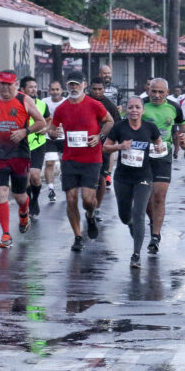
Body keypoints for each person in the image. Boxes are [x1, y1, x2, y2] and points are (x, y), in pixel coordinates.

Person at [46, 72, 114, 251]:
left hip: (91, 159)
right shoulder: (61, 108)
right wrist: (53, 133)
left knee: (88, 200)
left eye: (77, 84)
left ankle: (90, 216)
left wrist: (99, 136)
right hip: (70, 159)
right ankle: (77, 237)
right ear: (66, 86)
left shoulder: (94, 104)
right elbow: (52, 129)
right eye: (71, 84)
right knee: (71, 198)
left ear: (84, 84)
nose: (74, 87)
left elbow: (109, 121)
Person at [0, 70, 47, 248]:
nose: (4, 87)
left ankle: (24, 212)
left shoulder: (24, 100)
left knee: (19, 195)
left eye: (8, 84)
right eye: (1, 84)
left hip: (19, 154)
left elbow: (41, 122)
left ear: (16, 84)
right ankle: (5, 234)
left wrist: (25, 131)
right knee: (1, 191)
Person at [103, 96, 164, 267]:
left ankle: (136, 254)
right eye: (130, 107)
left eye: (137, 107)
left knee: (139, 213)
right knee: (125, 216)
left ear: (143, 110)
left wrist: (159, 148)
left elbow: (159, 144)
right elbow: (105, 148)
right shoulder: (119, 127)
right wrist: (120, 147)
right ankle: (130, 224)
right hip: (122, 177)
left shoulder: (150, 128)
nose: (134, 110)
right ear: (126, 110)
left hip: (143, 176)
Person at [140, 78, 185, 254]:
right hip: (143, 155)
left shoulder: (174, 107)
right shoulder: (141, 105)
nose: (157, 95)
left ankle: (155, 235)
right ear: (148, 90)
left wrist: (183, 137)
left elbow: (182, 124)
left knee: (159, 196)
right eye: (154, 91)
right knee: (145, 198)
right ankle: (154, 221)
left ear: (167, 93)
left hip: (163, 155)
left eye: (161, 92)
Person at [90, 76, 122, 213]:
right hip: (85, 145)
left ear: (104, 89)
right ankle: (89, 203)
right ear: (89, 89)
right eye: (94, 89)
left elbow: (118, 124)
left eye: (100, 89)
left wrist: (114, 141)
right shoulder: (84, 101)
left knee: (101, 177)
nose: (97, 92)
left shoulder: (109, 105)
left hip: (102, 145)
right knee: (88, 178)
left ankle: (97, 207)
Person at [20, 76, 51, 218]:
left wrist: (46, 128)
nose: (34, 89)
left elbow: (48, 119)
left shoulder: (42, 105)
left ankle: (35, 200)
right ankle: (28, 204)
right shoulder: (18, 104)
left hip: (38, 144)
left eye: (35, 87)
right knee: (25, 177)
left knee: (35, 175)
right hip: (22, 144)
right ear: (22, 89)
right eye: (30, 87)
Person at [43, 81, 66, 202]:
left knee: (65, 163)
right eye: (53, 89)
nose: (55, 92)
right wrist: (47, 130)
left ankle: (63, 175)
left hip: (64, 138)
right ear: (49, 91)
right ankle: (51, 189)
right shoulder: (44, 102)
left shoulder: (67, 102)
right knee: (49, 163)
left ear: (61, 90)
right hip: (49, 138)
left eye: (57, 89)